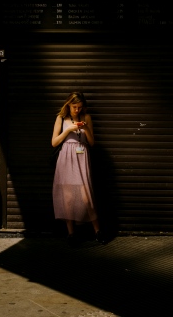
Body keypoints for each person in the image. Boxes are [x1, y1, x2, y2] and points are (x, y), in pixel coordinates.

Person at [51, 91, 104, 246]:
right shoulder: (61, 118)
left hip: (81, 157)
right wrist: (68, 130)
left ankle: (98, 231)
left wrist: (85, 128)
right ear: (68, 104)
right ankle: (71, 233)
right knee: (67, 197)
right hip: (66, 158)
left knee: (86, 196)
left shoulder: (86, 117)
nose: (77, 110)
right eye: (74, 106)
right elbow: (54, 142)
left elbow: (92, 143)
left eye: (80, 107)